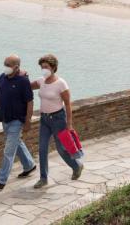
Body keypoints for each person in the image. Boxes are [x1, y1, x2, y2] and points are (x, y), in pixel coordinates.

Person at [0, 55, 36, 192]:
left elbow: (30, 102)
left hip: (17, 120)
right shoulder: (2, 77)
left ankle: (1, 180)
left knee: (8, 151)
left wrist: (28, 121)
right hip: (5, 119)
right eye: (5, 63)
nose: (5, 66)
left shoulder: (23, 81)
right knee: (16, 143)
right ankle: (29, 165)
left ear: (16, 67)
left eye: (8, 64)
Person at [30, 55, 84, 188]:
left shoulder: (61, 83)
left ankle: (76, 166)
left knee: (61, 148)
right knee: (42, 149)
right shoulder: (41, 81)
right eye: (42, 67)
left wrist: (69, 124)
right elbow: (27, 86)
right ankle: (43, 178)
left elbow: (68, 104)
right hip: (44, 119)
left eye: (46, 67)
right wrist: (21, 75)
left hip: (58, 119)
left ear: (53, 67)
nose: (44, 69)